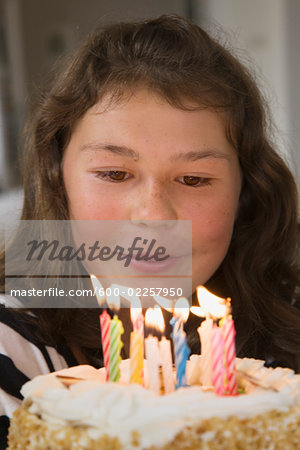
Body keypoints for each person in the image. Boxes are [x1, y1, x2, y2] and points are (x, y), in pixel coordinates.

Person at [0, 13, 299, 447]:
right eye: (115, 174)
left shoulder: (286, 335)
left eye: (194, 179)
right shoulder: (11, 346)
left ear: (246, 192)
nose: (155, 216)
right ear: (56, 177)